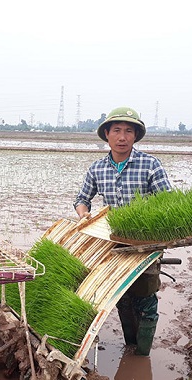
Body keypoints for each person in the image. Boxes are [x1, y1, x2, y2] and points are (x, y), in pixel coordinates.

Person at [73, 106, 172, 356]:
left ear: (135, 136)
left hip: (146, 245)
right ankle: (131, 346)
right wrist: (85, 215)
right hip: (113, 246)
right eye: (116, 130)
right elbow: (82, 199)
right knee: (123, 299)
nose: (122, 137)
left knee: (146, 298)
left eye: (129, 131)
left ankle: (142, 354)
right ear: (107, 134)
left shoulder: (150, 165)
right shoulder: (97, 169)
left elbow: (169, 203)